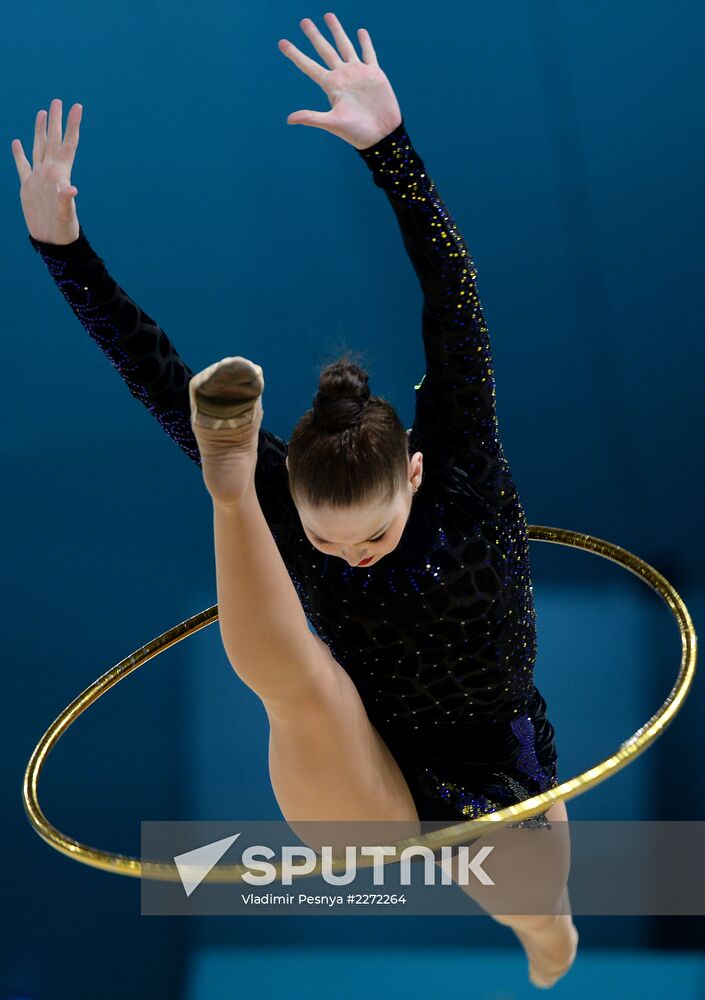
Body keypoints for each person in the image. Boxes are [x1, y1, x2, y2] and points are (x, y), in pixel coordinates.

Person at [12, 13, 578, 986]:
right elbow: (153, 371)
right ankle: (228, 490)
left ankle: (547, 935)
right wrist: (60, 247)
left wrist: (390, 147)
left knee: (540, 910)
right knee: (300, 684)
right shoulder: (296, 490)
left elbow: (454, 287)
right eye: (327, 534)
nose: (353, 553)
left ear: (414, 476)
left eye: (373, 535)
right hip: (355, 757)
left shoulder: (465, 465)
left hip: (497, 762)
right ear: (304, 495)